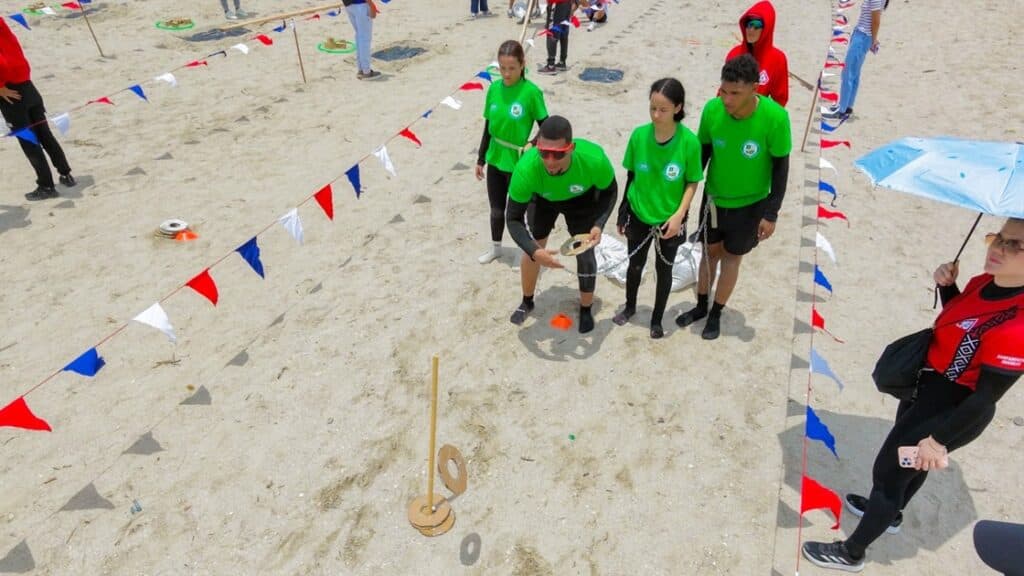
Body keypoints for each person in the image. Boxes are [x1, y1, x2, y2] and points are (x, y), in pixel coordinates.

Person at [803, 218, 1024, 572]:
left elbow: (985, 399)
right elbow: (961, 326)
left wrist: (938, 441)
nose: (999, 248)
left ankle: (852, 552)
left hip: (953, 407)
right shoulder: (986, 281)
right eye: (999, 238)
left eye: (1016, 245)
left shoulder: (1017, 325)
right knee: (905, 468)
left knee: (889, 472)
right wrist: (949, 288)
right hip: (926, 385)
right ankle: (889, 515)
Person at [675, 54, 790, 340]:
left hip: (751, 205)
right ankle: (701, 305)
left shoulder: (775, 118)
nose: (726, 99)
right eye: (724, 91)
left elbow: (781, 168)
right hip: (714, 200)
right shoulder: (713, 110)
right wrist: (684, 202)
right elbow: (701, 155)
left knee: (731, 259)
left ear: (755, 88)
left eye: (735, 93)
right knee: (708, 254)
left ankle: (716, 313)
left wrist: (771, 214)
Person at [506, 115, 618, 334]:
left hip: (580, 199)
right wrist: (535, 252)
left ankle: (586, 308)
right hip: (543, 199)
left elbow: (610, 192)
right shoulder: (526, 169)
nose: (549, 160)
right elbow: (512, 219)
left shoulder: (593, 159)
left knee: (585, 252)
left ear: (571, 148)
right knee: (533, 248)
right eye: (543, 153)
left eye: (557, 154)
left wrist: (599, 225)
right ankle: (527, 301)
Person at [613, 78, 702, 339]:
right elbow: (631, 175)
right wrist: (623, 209)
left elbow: (692, 181)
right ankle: (630, 307)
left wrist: (679, 215)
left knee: (664, 271)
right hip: (640, 212)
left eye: (663, 109)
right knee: (635, 265)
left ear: (678, 108)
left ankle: (656, 319)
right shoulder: (639, 135)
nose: (656, 114)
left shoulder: (689, 142)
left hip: (669, 219)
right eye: (652, 108)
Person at [475, 40, 548, 264]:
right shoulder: (494, 89)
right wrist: (480, 158)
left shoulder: (531, 92)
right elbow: (488, 127)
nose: (506, 74)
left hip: (519, 161)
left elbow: (547, 124)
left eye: (512, 68)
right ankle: (496, 247)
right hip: (496, 157)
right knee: (496, 210)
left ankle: (522, 252)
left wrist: (533, 143)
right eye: (502, 68)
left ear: (522, 65)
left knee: (518, 213)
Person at [0, 17, 75, 201]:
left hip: (11, 93)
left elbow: (3, 64)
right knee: (44, 133)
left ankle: (46, 185)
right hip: (28, 86)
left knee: (29, 141)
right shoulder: (4, 29)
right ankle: (66, 174)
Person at [824, 0, 889, 120]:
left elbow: (876, 21)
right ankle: (847, 106)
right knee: (854, 73)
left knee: (848, 72)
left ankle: (842, 109)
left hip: (863, 36)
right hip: (862, 35)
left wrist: (874, 40)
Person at [725, 1, 789, 107]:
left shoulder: (777, 59)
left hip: (758, 114)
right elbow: (723, 91)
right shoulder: (734, 54)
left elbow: (780, 101)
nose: (751, 30)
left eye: (756, 25)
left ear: (767, 28)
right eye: (748, 24)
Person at [342, 0, 380, 80]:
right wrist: (371, 5)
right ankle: (366, 71)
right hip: (360, 5)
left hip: (349, 5)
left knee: (359, 36)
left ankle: (361, 69)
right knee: (364, 38)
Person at [539, 0, 577, 74]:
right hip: (567, 3)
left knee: (552, 32)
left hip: (557, 3)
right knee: (563, 31)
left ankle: (551, 65)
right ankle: (562, 62)